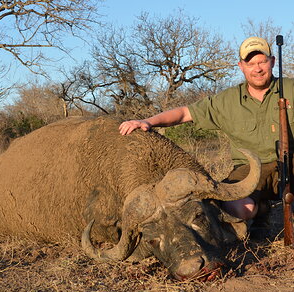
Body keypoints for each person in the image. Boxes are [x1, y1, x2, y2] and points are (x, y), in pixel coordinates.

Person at [119, 37, 294, 231]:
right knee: (238, 208)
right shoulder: (227, 100)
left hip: (290, 160)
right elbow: (185, 113)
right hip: (249, 168)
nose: (258, 68)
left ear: (272, 62)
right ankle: (261, 210)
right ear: (241, 66)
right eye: (250, 63)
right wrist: (148, 121)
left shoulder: (290, 88)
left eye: (262, 62)